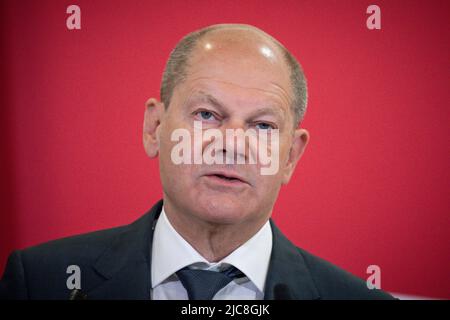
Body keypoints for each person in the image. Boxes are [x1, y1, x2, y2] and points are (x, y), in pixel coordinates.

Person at [0, 24, 394, 300]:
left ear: (290, 155)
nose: (231, 144)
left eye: (262, 125)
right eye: (206, 115)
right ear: (154, 127)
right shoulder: (41, 281)